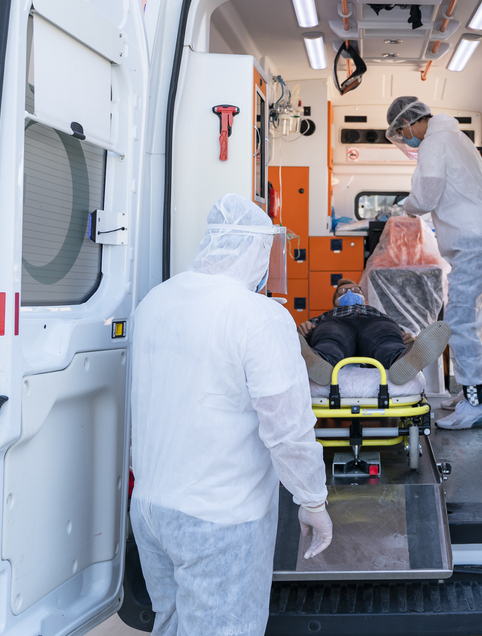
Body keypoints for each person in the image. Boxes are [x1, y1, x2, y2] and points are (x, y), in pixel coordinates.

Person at [129, 194, 333, 636]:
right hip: (219, 518)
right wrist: (312, 500)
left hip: (150, 509)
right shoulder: (258, 316)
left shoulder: (154, 302)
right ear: (255, 248)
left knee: (170, 625)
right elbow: (287, 428)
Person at [386, 97, 482, 429]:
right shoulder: (456, 137)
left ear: (408, 122)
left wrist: (407, 206)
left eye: (401, 131)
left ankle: (475, 402)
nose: (405, 138)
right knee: (477, 316)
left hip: (472, 238)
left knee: (460, 318)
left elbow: (425, 197)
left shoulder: (433, 143)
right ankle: (475, 391)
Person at [297, 279, 451, 386]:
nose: (349, 293)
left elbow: (395, 330)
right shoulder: (326, 316)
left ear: (366, 300)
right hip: (337, 322)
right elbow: (310, 331)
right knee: (330, 340)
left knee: (387, 340)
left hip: (373, 322)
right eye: (342, 292)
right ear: (334, 303)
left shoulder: (377, 313)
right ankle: (320, 363)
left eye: (355, 290)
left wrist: (405, 338)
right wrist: (304, 330)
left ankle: (403, 359)